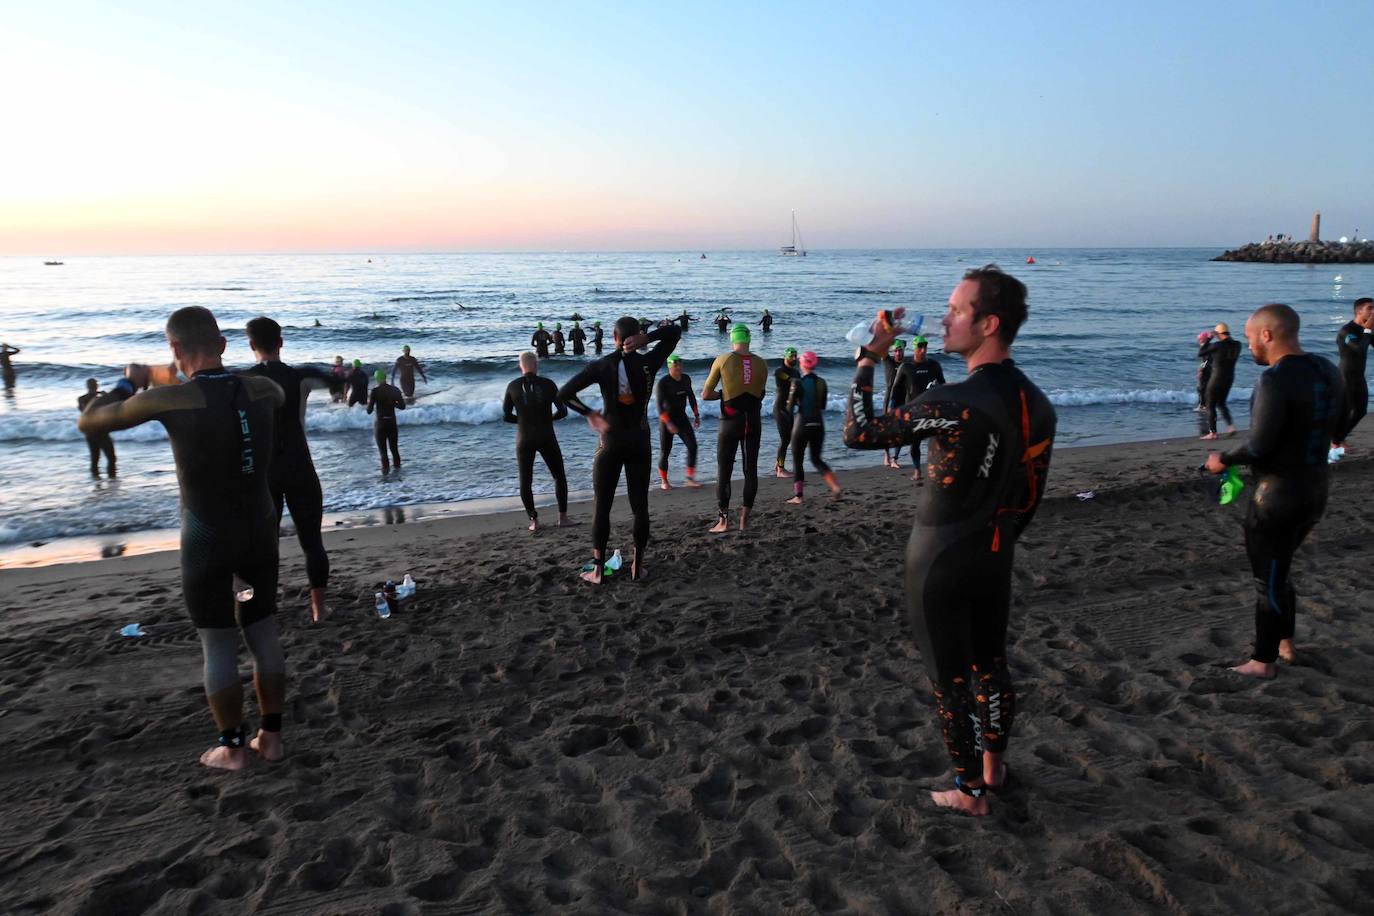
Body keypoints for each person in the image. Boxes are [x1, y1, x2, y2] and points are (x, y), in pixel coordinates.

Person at [842, 266, 1056, 815]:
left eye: (956, 310)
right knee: (991, 663)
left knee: (949, 678)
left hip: (939, 555)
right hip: (993, 551)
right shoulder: (1037, 401)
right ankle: (992, 768)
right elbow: (1030, 495)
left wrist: (869, 357)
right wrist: (999, 537)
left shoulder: (953, 401)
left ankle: (969, 792)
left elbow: (859, 432)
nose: (943, 318)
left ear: (988, 324)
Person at [77, 306, 288, 770]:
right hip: (258, 534)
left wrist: (133, 380)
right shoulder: (262, 389)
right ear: (224, 345)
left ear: (174, 349)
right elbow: (263, 397)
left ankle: (232, 749)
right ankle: (270, 740)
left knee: (217, 643)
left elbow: (91, 420)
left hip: (208, 541)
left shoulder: (171, 400)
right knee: (261, 630)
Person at [1204, 304, 1344, 679]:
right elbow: (1342, 418)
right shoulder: (1327, 369)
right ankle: (1286, 646)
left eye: (1250, 337)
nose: (1249, 345)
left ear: (1267, 334)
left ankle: (1261, 662)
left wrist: (1222, 459)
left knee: (1266, 579)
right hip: (1315, 489)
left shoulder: (1275, 379)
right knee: (1279, 571)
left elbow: (1259, 447)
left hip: (1277, 495)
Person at [558, 316, 681, 583]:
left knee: (602, 507)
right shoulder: (649, 362)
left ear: (614, 337)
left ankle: (599, 570)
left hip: (610, 441)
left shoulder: (601, 365)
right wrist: (649, 338)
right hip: (639, 440)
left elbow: (563, 393)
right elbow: (675, 332)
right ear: (635, 336)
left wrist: (589, 412)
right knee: (640, 506)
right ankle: (637, 566)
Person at [245, 317, 335, 623]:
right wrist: (346, 378)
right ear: (281, 342)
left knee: (264, 545)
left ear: (251, 345)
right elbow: (336, 381)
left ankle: (266, 607)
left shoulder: (241, 381)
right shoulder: (300, 377)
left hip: (264, 472)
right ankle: (319, 609)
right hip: (299, 465)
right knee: (312, 542)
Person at [703, 324, 768, 532]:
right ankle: (744, 521)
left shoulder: (723, 360)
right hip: (753, 422)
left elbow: (706, 394)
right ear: (749, 339)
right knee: (751, 470)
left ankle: (723, 521)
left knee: (724, 471)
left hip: (730, 423)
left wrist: (724, 394)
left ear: (732, 339)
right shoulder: (761, 364)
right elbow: (760, 394)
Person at [503, 352, 572, 531]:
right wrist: (550, 419)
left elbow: (506, 415)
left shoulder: (512, 386)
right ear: (536, 365)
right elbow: (563, 411)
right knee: (559, 476)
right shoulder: (548, 384)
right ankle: (562, 518)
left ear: (521, 366)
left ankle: (533, 520)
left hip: (524, 438)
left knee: (525, 481)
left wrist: (523, 421)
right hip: (546, 435)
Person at [784, 352, 841, 503]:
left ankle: (798, 496)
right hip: (818, 424)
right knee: (816, 459)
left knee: (797, 460)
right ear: (814, 364)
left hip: (802, 424)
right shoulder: (822, 382)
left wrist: (794, 401)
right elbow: (822, 405)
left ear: (802, 364)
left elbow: (789, 409)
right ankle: (835, 487)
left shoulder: (797, 382)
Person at [889, 336, 947, 478]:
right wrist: (892, 408)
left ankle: (940, 467)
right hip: (913, 411)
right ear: (914, 348)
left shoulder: (934, 365)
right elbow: (895, 389)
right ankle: (917, 470)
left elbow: (943, 385)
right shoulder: (906, 367)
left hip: (932, 410)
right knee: (915, 443)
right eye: (920, 347)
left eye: (925, 347)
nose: (923, 350)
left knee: (938, 440)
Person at [656, 353, 702, 489]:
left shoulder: (686, 379)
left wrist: (696, 415)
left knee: (693, 446)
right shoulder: (663, 383)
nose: (678, 367)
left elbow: (692, 397)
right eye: (675, 365)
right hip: (666, 420)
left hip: (681, 418)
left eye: (680, 365)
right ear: (670, 366)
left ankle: (690, 478)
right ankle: (664, 481)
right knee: (665, 451)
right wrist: (668, 423)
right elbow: (659, 407)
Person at [1332, 297, 1373, 447]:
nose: (1373, 312)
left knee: (1360, 411)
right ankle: (1335, 441)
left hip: (1359, 376)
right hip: (1345, 376)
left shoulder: (1366, 331)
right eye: (1370, 308)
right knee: (1345, 411)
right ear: (1359, 311)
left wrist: (1369, 330)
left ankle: (1338, 439)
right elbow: (1360, 350)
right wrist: (1368, 329)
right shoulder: (1346, 331)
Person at [1199, 323, 1241, 439]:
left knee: (1210, 404)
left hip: (1216, 378)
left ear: (1218, 334)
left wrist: (1208, 339)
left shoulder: (1217, 345)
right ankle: (1231, 426)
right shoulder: (1238, 345)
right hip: (1229, 378)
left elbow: (1201, 352)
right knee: (1221, 403)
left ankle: (1213, 432)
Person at [367, 369, 406, 473]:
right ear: (385, 378)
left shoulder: (374, 391)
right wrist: (393, 403)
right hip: (392, 423)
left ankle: (385, 480)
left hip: (380, 425)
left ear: (376, 379)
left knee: (383, 453)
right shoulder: (394, 390)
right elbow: (403, 406)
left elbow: (369, 411)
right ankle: (398, 475)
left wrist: (370, 401)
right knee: (394, 450)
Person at [77, 378, 116, 478]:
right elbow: (85, 410)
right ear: (95, 386)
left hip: (90, 433)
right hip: (100, 432)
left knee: (95, 459)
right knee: (110, 458)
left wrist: (105, 396)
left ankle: (97, 482)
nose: (95, 387)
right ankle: (111, 479)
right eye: (95, 385)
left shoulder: (83, 399)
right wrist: (105, 397)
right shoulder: (86, 399)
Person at [773, 347, 800, 477]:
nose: (794, 359)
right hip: (780, 408)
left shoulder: (796, 372)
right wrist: (795, 381)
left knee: (789, 439)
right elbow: (790, 380)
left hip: (790, 409)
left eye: (795, 356)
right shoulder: (779, 371)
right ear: (785, 357)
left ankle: (778, 464)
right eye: (791, 356)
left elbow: (798, 391)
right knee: (785, 439)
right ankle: (780, 470)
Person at [1195, 330, 1214, 411]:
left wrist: (1201, 370)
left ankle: (1202, 405)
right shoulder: (1209, 346)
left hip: (1206, 370)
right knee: (1204, 388)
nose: (1199, 340)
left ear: (1203, 339)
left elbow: (1205, 361)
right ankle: (1205, 405)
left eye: (1200, 339)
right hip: (1210, 369)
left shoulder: (1205, 348)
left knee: (1201, 388)